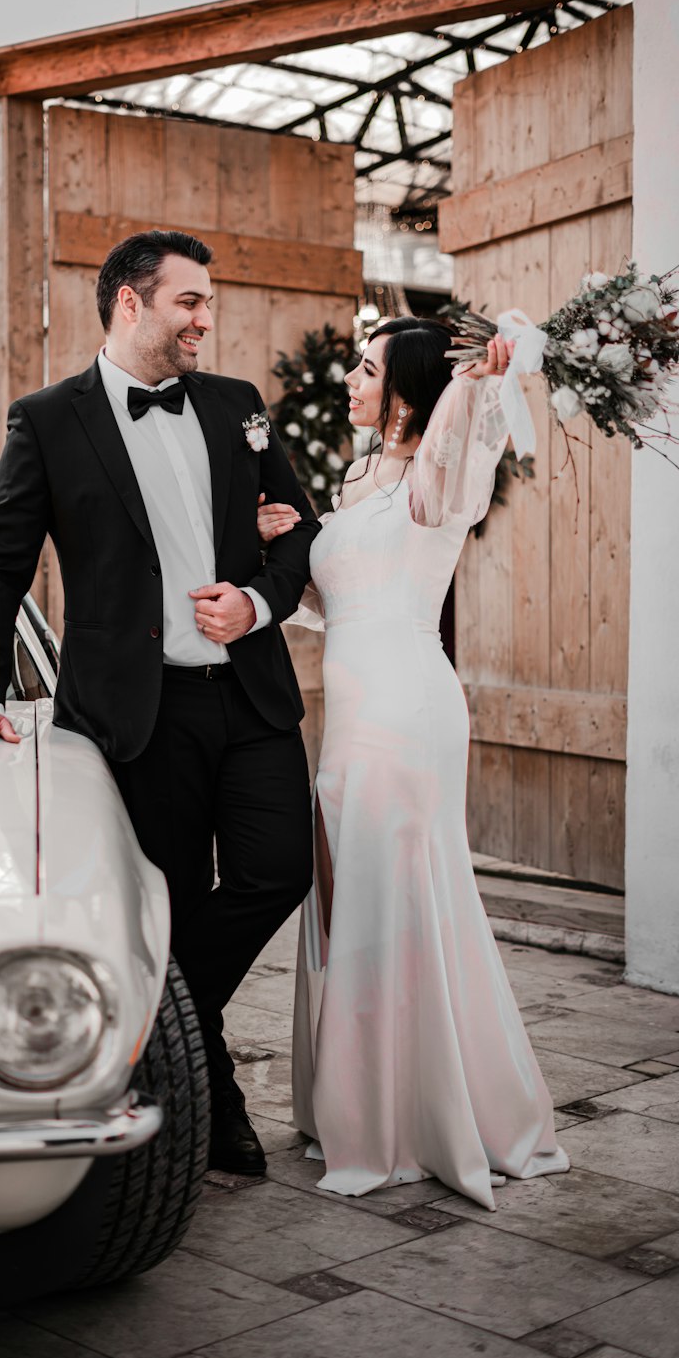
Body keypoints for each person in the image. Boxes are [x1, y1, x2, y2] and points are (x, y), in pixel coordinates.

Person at [0, 229, 319, 1177]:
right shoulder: (48, 419)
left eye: (207, 302)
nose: (205, 319)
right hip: (138, 718)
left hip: (253, 698)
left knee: (282, 870)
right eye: (189, 301)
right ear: (131, 304)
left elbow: (298, 534)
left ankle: (179, 1026)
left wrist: (258, 601)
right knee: (169, 903)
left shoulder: (237, 406)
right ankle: (210, 1094)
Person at [257, 317, 569, 1208]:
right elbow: (336, 601)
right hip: (352, 711)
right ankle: (356, 1107)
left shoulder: (445, 471)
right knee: (346, 897)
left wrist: (477, 385)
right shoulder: (360, 477)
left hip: (406, 710)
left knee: (395, 901)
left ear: (408, 390)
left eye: (366, 368)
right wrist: (291, 536)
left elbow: (452, 462)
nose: (350, 381)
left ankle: (409, 1121)